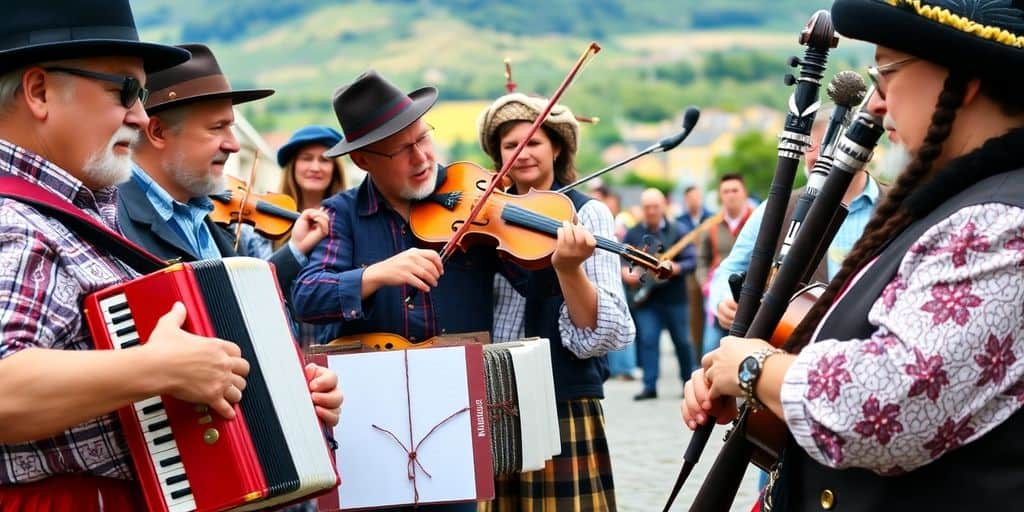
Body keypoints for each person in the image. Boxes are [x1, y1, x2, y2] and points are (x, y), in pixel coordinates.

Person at [684, 0, 1024, 510]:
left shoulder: (1001, 223)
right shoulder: (957, 205)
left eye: (886, 72)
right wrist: (759, 394)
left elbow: (881, 406)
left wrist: (755, 368)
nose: (876, 102)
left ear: (964, 80)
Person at [0, 3, 339, 510]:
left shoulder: (87, 211)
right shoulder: (13, 220)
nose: (140, 115)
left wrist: (276, 395)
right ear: (40, 91)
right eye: (126, 91)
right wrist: (157, 367)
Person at [292, 70, 500, 512]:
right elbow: (306, 296)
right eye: (401, 149)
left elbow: (528, 278)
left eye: (423, 138)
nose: (422, 157)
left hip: (458, 407)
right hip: (370, 413)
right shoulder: (341, 214)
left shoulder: (471, 201)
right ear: (363, 160)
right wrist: (374, 275)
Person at [478, 92, 635, 511]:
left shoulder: (588, 214)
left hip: (560, 395)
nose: (522, 153)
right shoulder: (483, 216)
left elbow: (604, 335)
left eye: (533, 142)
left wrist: (569, 269)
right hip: (494, 394)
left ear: (557, 148)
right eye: (510, 145)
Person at [120, 44, 330, 305]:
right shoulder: (112, 221)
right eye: (217, 128)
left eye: (230, 127)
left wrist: (295, 249)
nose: (234, 144)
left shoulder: (203, 214)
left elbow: (243, 303)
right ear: (158, 133)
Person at [710, 107, 886, 333]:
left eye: (828, 145)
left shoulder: (899, 205)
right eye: (809, 146)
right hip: (796, 343)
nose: (815, 156)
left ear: (864, 150)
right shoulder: (778, 208)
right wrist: (723, 300)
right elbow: (731, 268)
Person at [623, 188, 697, 400]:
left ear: (663, 206)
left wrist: (675, 268)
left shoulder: (679, 231)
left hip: (675, 297)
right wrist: (625, 273)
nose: (651, 211)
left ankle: (688, 383)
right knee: (648, 340)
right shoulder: (633, 233)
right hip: (646, 299)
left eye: (655, 206)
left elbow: (692, 260)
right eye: (647, 207)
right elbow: (621, 259)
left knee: (682, 341)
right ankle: (649, 386)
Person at [242, 125, 348, 259]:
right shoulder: (265, 221)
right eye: (306, 158)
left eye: (324, 160)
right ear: (293, 166)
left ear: (335, 169)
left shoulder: (347, 218)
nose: (315, 168)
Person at [696, 173, 753, 354]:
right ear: (720, 195)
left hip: (750, 290)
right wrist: (705, 282)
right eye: (726, 191)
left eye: (735, 190)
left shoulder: (758, 220)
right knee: (711, 346)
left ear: (744, 193)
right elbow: (702, 259)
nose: (730, 195)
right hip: (718, 290)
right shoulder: (712, 225)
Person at [678, 184, 714, 358]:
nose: (695, 201)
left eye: (697, 197)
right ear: (686, 200)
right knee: (694, 316)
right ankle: (696, 355)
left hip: (708, 271)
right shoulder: (680, 221)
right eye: (691, 198)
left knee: (710, 315)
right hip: (690, 274)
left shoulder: (711, 218)